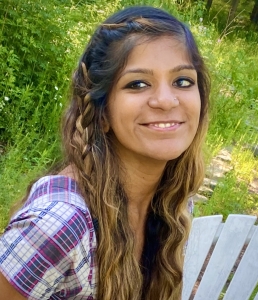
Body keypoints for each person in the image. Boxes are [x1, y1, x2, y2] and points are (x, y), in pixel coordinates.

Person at [0, 5, 209, 300]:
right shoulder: (59, 225)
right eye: (137, 84)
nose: (165, 100)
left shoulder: (175, 203)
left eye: (182, 81)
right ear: (101, 112)